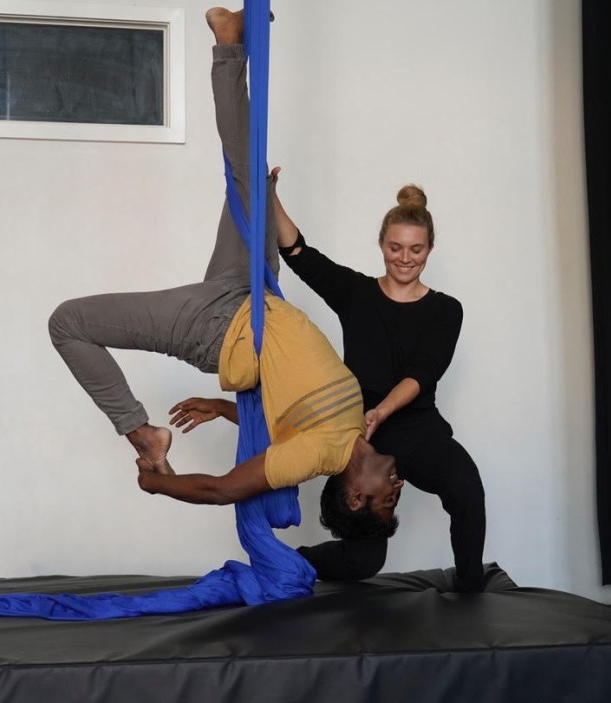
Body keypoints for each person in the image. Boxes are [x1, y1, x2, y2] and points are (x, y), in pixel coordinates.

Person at [47, 7, 403, 541]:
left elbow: (224, 488)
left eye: (384, 503)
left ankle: (141, 433)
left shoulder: (317, 456)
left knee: (68, 322)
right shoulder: (354, 425)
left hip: (216, 327)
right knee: (250, 172)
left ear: (356, 495)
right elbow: (283, 416)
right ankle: (230, 40)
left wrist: (160, 485)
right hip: (252, 295)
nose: (397, 489)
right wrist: (220, 407)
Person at [172, 175, 487, 590]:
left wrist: (381, 411)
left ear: (430, 249)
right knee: (364, 559)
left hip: (414, 430)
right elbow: (299, 251)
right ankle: (287, 564)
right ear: (382, 245)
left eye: (416, 249)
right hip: (353, 434)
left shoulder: (447, 310)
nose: (405, 258)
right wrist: (271, 197)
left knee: (466, 487)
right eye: (395, 248)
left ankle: (470, 592)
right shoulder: (357, 294)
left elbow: (422, 374)